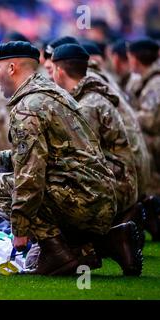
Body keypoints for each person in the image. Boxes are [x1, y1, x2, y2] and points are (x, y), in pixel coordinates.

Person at [0, 41, 142, 276]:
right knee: (18, 189)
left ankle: (60, 255)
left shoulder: (28, 106)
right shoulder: (52, 94)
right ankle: (113, 241)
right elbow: (39, 156)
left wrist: (20, 227)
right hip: (96, 197)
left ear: (12, 68)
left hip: (82, 199)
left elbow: (30, 173)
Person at [51, 43, 138, 221]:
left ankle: (81, 246)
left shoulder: (87, 106)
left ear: (59, 71)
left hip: (115, 188)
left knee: (46, 189)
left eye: (51, 69)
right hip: (116, 181)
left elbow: (77, 157)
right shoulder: (86, 97)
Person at [127, 38, 160, 240]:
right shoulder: (143, 80)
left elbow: (151, 121)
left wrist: (127, 116)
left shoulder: (155, 84)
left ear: (136, 58)